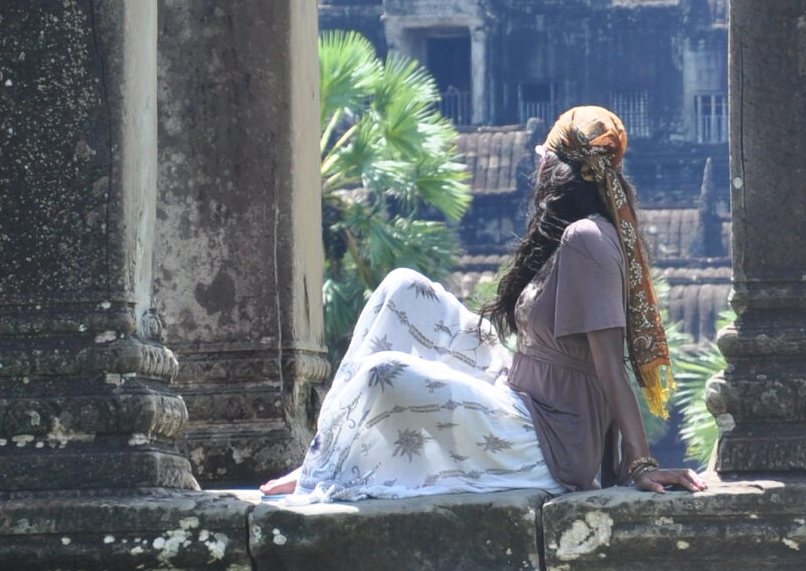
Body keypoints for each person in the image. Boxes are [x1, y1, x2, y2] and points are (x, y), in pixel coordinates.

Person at [260, 104, 705, 501]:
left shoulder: (586, 239)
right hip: (519, 390)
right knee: (403, 288)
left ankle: (326, 469)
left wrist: (641, 464)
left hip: (547, 441)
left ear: (559, 167)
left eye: (545, 156)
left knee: (384, 374)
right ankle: (325, 455)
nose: (538, 164)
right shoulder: (571, 235)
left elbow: (611, 365)